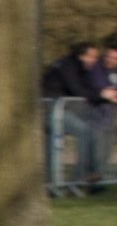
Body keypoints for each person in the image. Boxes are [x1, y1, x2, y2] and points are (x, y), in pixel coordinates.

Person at [40, 41, 110, 191]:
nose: (94, 61)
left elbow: (85, 87)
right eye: (91, 57)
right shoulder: (68, 66)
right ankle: (80, 179)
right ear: (81, 56)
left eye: (96, 57)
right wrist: (101, 95)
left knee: (51, 145)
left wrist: (102, 94)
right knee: (84, 131)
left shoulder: (75, 67)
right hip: (49, 109)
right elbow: (78, 89)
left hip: (53, 108)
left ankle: (51, 185)